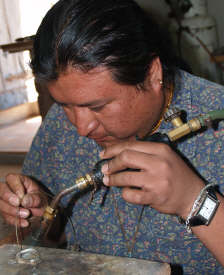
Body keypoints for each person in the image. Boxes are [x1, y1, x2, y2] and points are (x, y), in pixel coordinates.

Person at [0, 0, 224, 273]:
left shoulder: (217, 125)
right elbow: (51, 236)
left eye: (97, 107)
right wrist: (37, 215)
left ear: (153, 74)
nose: (81, 128)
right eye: (64, 104)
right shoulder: (61, 124)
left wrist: (195, 201)